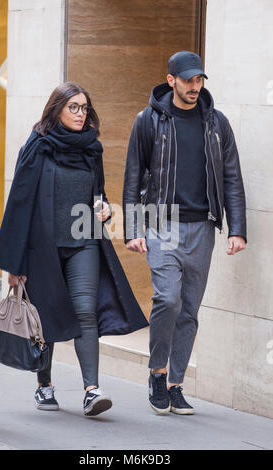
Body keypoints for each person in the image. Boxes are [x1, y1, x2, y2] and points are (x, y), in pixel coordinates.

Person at [0, 82, 148, 417]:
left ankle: (92, 390)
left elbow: (98, 195)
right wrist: (13, 264)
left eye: (84, 107)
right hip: (42, 247)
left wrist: (105, 208)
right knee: (45, 316)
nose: (81, 114)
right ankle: (44, 384)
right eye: (74, 107)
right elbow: (19, 206)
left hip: (84, 241)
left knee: (85, 312)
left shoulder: (91, 149)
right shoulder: (37, 147)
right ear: (57, 110)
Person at [123, 51, 246, 415]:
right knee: (168, 300)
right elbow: (133, 177)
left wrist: (236, 228)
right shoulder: (148, 121)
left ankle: (175, 384)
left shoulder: (216, 123)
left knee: (190, 310)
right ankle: (157, 374)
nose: (195, 87)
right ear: (171, 79)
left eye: (199, 80)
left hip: (203, 225)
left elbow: (232, 179)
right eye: (188, 80)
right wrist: (133, 229)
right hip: (163, 222)